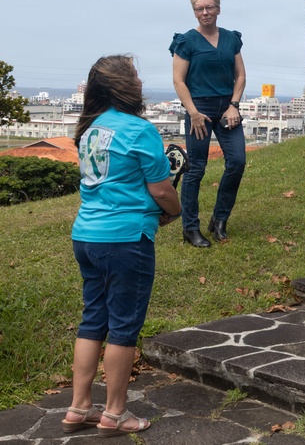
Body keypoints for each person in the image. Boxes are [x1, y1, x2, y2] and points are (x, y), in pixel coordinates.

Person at [64, 55, 181, 437]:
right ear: (128, 85)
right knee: (123, 327)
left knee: (92, 319)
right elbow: (162, 189)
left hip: (86, 235)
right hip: (125, 239)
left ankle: (79, 407)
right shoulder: (139, 130)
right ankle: (115, 414)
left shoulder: (89, 128)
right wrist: (174, 212)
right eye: (136, 76)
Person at [170, 0, 246, 247]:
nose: (205, 12)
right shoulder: (186, 41)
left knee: (237, 162)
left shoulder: (230, 38)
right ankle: (190, 228)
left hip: (227, 110)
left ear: (218, 9)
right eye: (199, 9)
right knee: (196, 169)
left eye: (209, 7)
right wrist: (193, 112)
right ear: (194, 12)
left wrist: (234, 105)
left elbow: (241, 76)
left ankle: (220, 219)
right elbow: (178, 81)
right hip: (198, 109)